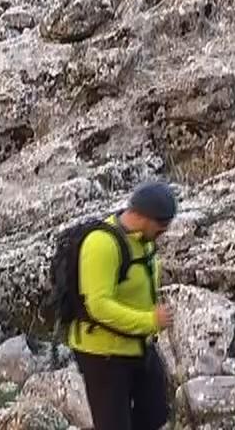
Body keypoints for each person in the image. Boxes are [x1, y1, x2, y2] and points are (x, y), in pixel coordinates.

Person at [66, 181, 178, 430]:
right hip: (102, 355)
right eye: (162, 225)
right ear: (143, 216)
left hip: (139, 346)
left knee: (155, 415)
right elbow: (98, 306)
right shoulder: (101, 244)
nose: (165, 231)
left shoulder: (144, 240)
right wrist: (151, 321)